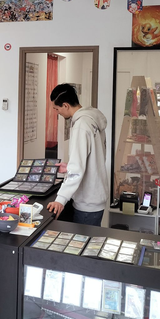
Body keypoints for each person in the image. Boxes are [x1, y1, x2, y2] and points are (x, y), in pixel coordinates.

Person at [46, 83, 108, 226]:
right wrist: (69, 166)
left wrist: (60, 199)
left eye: (57, 109)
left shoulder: (81, 125)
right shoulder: (92, 119)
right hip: (95, 195)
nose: (57, 113)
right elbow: (92, 157)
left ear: (66, 105)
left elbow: (77, 169)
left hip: (87, 201)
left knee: (84, 239)